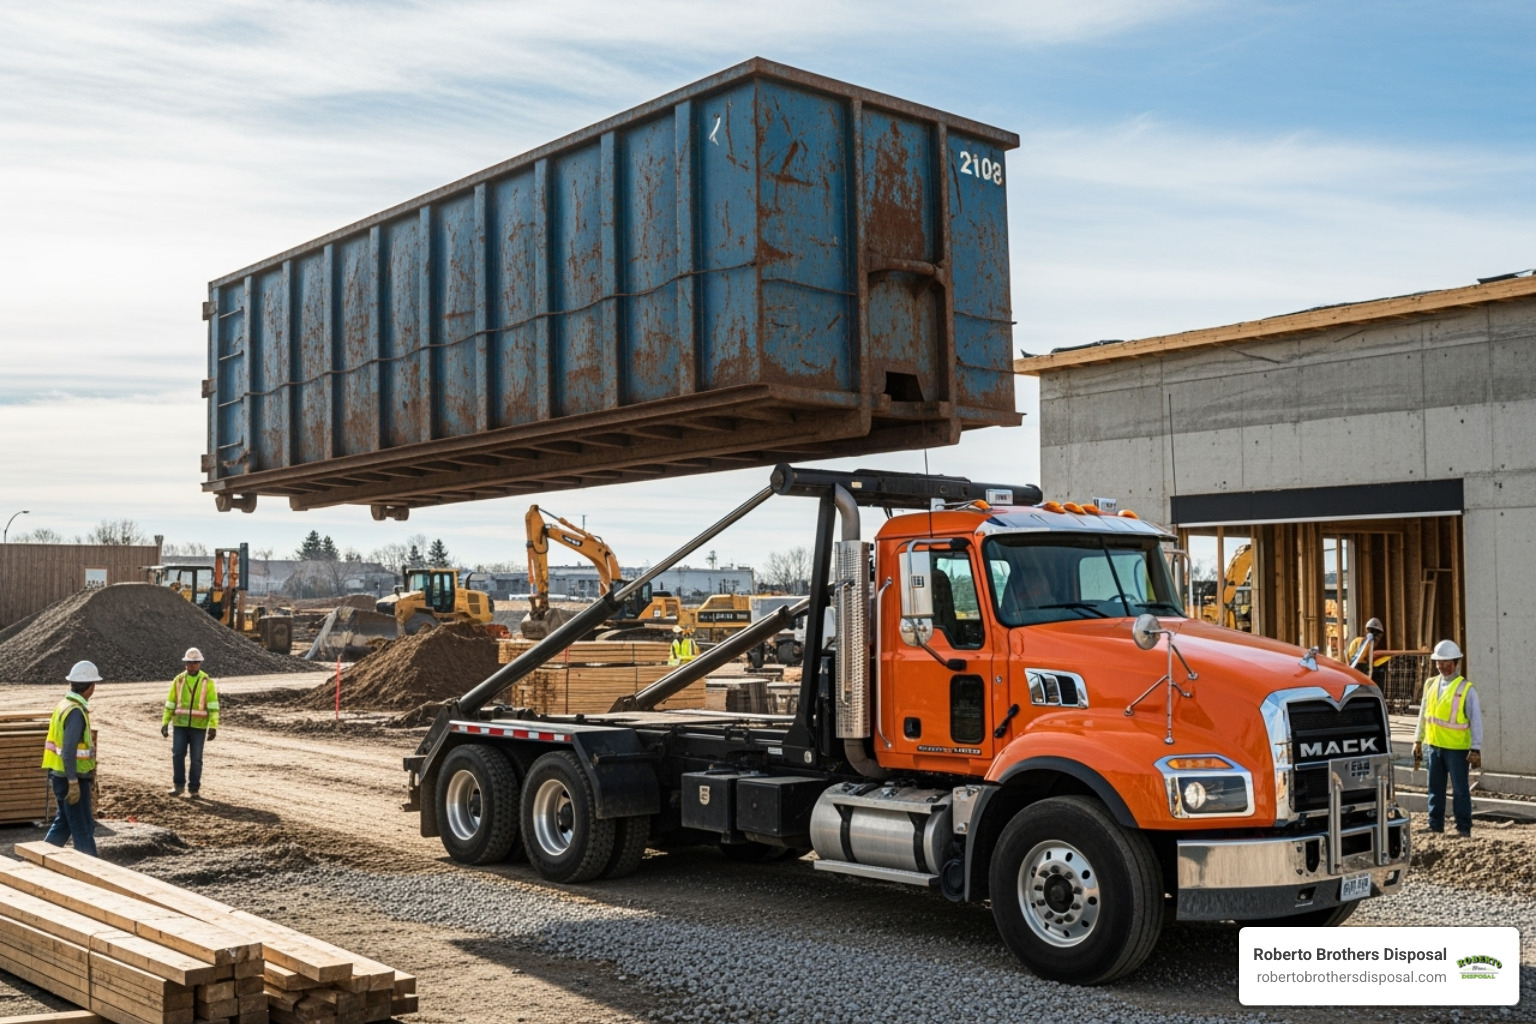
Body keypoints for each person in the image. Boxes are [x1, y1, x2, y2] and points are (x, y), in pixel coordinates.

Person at [1412, 639, 1482, 837]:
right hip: (1434, 746)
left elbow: (1476, 720)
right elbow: (1423, 714)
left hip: (1457, 749)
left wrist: (1475, 748)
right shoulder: (1430, 684)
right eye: (1438, 662)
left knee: (1460, 790)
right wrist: (1418, 740)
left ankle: (1463, 828)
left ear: (1455, 663)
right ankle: (1435, 825)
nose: (1441, 666)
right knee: (1434, 789)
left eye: (1445, 662)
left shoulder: (1466, 689)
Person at [41, 661, 99, 857]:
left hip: (60, 774)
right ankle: (91, 867)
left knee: (64, 823)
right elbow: (68, 751)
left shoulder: (64, 705)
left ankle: (42, 858)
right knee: (83, 827)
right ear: (90, 686)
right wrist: (73, 782)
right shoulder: (75, 712)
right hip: (72, 778)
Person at [161, 647, 219, 798]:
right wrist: (165, 722)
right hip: (180, 725)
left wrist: (213, 726)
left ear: (199, 663)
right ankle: (178, 786)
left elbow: (213, 706)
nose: (192, 665)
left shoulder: (206, 681)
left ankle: (194, 789)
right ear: (185, 663)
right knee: (177, 755)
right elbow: (170, 703)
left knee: (196, 759)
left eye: (195, 662)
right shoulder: (179, 680)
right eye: (189, 662)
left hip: (199, 726)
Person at [1345, 617, 1390, 685]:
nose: (1378, 641)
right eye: (1378, 637)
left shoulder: (1358, 641)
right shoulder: (1367, 643)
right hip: (1361, 669)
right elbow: (1369, 656)